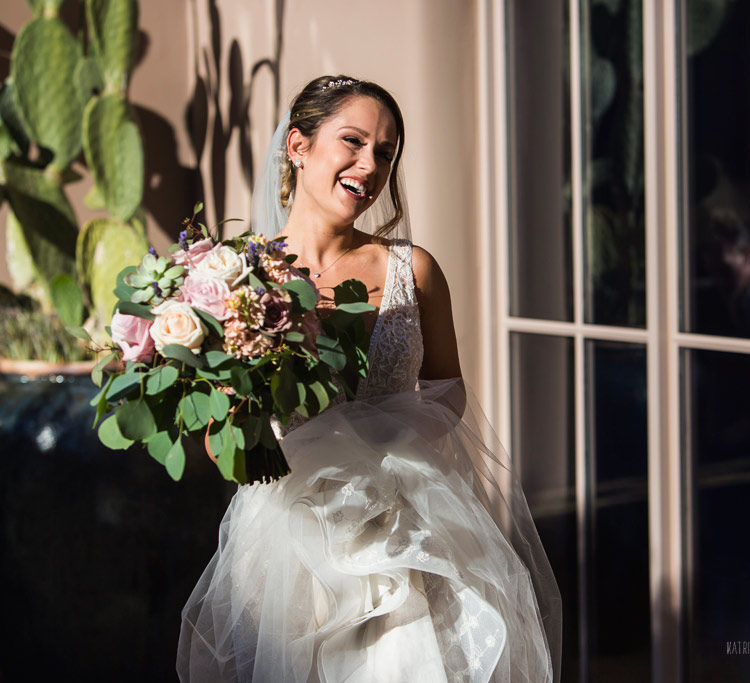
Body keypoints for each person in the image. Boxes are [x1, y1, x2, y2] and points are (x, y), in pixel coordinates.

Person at [176, 75, 561, 682]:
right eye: (352, 141)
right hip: (288, 541)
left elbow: (448, 391)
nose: (369, 165)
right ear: (298, 147)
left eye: (385, 152)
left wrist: (371, 440)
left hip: (402, 527)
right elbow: (224, 449)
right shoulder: (236, 280)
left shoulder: (414, 269)